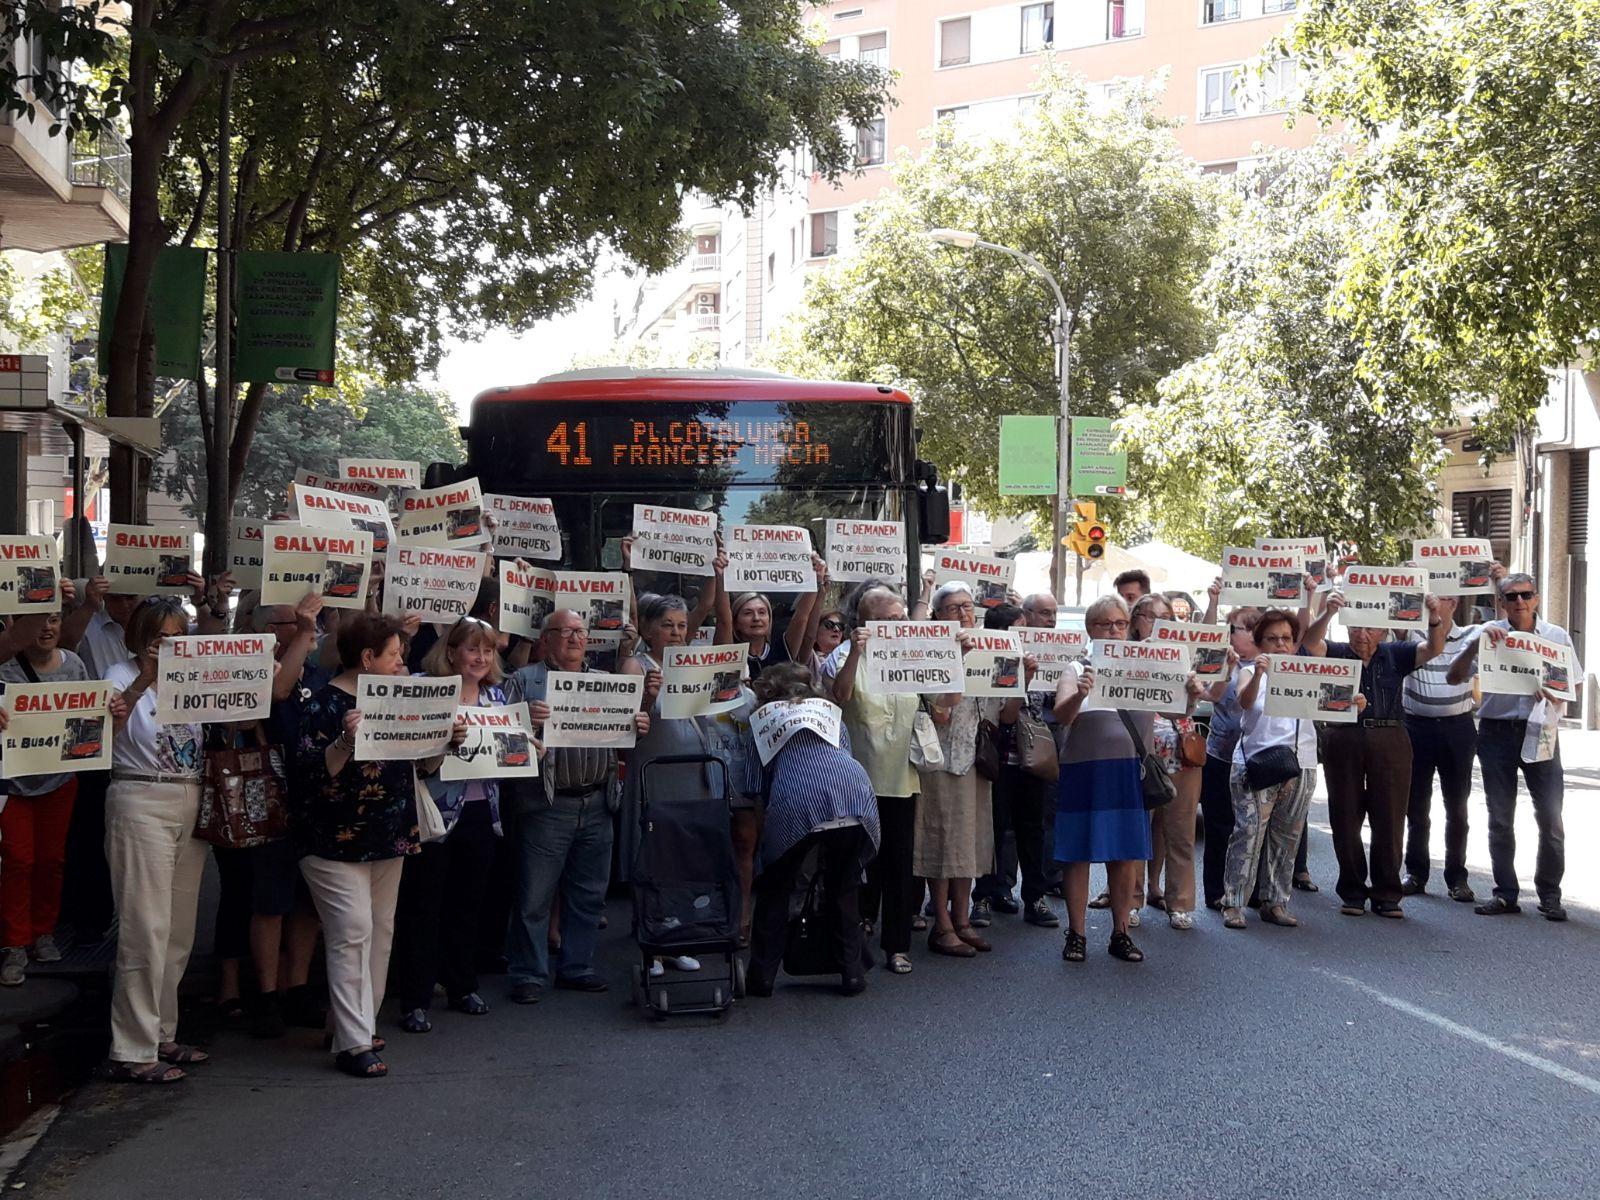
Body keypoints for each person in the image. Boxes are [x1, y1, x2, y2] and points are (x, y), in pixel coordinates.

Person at [291, 611, 465, 1079]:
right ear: (366, 657)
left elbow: (421, 767)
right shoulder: (322, 702)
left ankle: (356, 1025)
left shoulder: (400, 698)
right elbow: (307, 775)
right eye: (393, 654)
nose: (400, 662)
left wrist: (445, 742)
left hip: (388, 834)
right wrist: (346, 741)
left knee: (379, 935)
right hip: (331, 841)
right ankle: (353, 1044)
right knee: (352, 932)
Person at [503, 609, 650, 1004]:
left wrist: (638, 725)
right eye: (564, 631)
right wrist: (526, 723)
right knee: (534, 895)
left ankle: (577, 967)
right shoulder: (523, 680)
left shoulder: (606, 683)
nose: (573, 638)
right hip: (548, 804)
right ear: (545, 639)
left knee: (588, 895)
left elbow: (625, 741)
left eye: (580, 632)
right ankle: (528, 973)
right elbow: (502, 740)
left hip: (598, 801)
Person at [207, 591, 327, 1039]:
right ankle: (267, 993)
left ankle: (297, 988)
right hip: (267, 797)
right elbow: (276, 692)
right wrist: (304, 633)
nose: (293, 628)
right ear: (259, 631)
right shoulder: (248, 672)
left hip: (313, 799)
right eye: (283, 623)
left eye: (296, 623)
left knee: (306, 902)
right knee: (269, 899)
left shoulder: (317, 672)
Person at [99, 598, 209, 1084]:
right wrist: (146, 674)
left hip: (191, 797)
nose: (170, 643)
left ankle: (162, 1032)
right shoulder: (117, 676)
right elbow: (102, 733)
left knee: (178, 930)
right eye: (160, 635)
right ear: (140, 637)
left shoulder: (195, 678)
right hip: (140, 795)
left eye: (177, 634)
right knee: (145, 927)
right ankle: (132, 1047)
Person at [1056, 596, 1200, 962]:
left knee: (1123, 856)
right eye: (1106, 624)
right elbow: (1062, 714)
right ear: (1091, 629)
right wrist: (1082, 693)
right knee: (1078, 855)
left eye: (1120, 623)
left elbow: (1174, 709)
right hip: (1083, 772)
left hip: (1125, 772)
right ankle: (1076, 934)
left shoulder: (1144, 666)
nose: (1115, 630)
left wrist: (1192, 697)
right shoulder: (1076, 666)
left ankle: (1120, 933)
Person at [392, 616, 507, 1033]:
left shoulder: (497, 697)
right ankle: (415, 999)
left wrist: (531, 745)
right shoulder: (427, 689)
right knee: (423, 908)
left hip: (481, 813)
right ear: (452, 651)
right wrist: (442, 740)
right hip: (434, 814)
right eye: (472, 648)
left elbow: (510, 751)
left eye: (487, 650)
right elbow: (407, 750)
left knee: (467, 904)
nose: (480, 657)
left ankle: (462, 986)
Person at [1301, 592, 1448, 917]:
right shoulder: (1336, 652)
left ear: (1383, 631)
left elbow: (1434, 648)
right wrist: (1326, 614)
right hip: (1344, 738)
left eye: (1369, 628)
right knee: (1345, 815)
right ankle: (1353, 891)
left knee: (1391, 816)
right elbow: (1311, 644)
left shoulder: (1396, 654)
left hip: (1390, 736)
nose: (1362, 634)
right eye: (1355, 627)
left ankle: (1387, 894)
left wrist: (1434, 616)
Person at [1446, 571, 1576, 920]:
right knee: (1500, 818)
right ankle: (1505, 893)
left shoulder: (1556, 636)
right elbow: (1454, 676)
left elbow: (1571, 685)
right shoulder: (1487, 636)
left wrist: (1554, 691)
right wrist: (1475, 644)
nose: (1519, 601)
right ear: (1499, 602)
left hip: (1542, 730)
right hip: (1497, 732)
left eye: (1526, 595)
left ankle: (1550, 894)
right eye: (1512, 596)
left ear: (1536, 598)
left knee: (1550, 818)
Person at [745, 664, 880, 997]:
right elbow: (843, 752)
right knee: (844, 887)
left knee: (776, 888)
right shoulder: (830, 713)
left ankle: (761, 977)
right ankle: (852, 974)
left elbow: (755, 785)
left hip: (798, 800)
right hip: (855, 794)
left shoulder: (761, 722)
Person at [824, 582, 921, 975]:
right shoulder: (843, 655)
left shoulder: (914, 656)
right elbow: (839, 697)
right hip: (857, 778)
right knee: (856, 863)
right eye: (884, 621)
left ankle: (897, 946)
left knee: (899, 865)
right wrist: (857, 652)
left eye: (899, 619)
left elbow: (944, 705)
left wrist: (958, 659)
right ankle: (852, 933)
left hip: (902, 775)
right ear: (863, 623)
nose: (894, 627)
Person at [618, 594, 715, 973]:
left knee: (682, 859)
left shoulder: (692, 665)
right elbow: (622, 729)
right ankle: (651, 945)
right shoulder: (635, 664)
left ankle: (676, 939)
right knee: (652, 857)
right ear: (648, 629)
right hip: (655, 777)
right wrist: (647, 697)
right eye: (667, 625)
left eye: (681, 626)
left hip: (693, 776)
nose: (675, 633)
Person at [1221, 609, 1324, 930]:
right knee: (1248, 834)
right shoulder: (1249, 671)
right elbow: (1244, 702)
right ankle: (1234, 903)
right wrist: (1262, 675)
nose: (1280, 645)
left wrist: (1354, 702)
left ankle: (1276, 902)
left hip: (1301, 762)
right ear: (1259, 642)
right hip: (1256, 762)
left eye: (1286, 639)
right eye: (1273, 638)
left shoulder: (1309, 674)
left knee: (1287, 837)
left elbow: (1331, 705)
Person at [0, 608, 87, 986]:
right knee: (18, 861)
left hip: (59, 779)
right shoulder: (3, 667)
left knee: (52, 860)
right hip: (13, 783)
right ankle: (14, 943)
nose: (46, 628)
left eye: (53, 619)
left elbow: (89, 713)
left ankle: (43, 933)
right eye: (36, 621)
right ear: (16, 627)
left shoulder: (76, 665)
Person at [916, 582, 998, 959]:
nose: (964, 613)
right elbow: (940, 710)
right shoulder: (928, 652)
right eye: (953, 608)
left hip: (975, 761)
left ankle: (963, 921)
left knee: (969, 841)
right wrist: (956, 659)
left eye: (968, 606)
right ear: (936, 615)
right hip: (941, 760)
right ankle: (942, 925)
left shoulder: (990, 648)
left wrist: (1022, 676)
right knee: (942, 839)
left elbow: (1004, 712)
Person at [971, 603, 1058, 930]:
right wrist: (1024, 677)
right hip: (998, 760)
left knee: (1032, 829)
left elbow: (1052, 709)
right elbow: (1006, 717)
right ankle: (984, 895)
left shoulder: (1040, 659)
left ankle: (1034, 896)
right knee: (993, 828)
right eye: (1018, 630)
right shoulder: (990, 663)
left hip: (1032, 760)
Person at [1400, 598, 1483, 902]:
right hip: (1416, 726)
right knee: (1416, 806)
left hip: (1457, 727)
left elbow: (1502, 632)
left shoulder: (1471, 634)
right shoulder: (1410, 634)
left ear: (1455, 603)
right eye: (1431, 597)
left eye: (1444, 599)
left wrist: (1496, 582)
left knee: (1457, 807)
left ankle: (1457, 878)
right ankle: (1416, 873)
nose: (1436, 604)